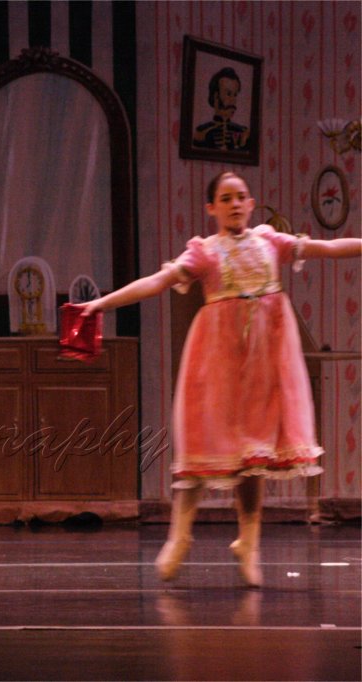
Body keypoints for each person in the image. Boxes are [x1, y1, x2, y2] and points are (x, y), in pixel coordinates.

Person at [74, 171, 361, 587]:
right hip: (219, 364)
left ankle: (249, 543)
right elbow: (157, 282)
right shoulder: (205, 253)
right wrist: (102, 303)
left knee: (254, 457)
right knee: (203, 449)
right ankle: (179, 535)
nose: (235, 204)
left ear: (251, 203)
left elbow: (327, 248)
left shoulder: (270, 242)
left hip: (265, 365)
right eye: (225, 198)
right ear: (211, 208)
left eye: (241, 196)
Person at [193, 67, 250, 151]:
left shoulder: (243, 131)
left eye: (235, 95)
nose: (233, 101)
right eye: (228, 94)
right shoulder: (201, 132)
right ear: (216, 96)